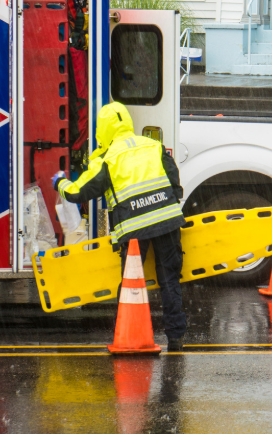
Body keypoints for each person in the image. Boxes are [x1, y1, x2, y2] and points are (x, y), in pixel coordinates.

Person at [52, 102, 187, 351]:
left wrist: (60, 183)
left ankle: (128, 334)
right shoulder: (152, 145)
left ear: (102, 131)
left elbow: (79, 192)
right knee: (169, 280)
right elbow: (174, 180)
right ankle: (176, 338)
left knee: (131, 283)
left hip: (135, 231)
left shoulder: (107, 158)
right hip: (167, 221)